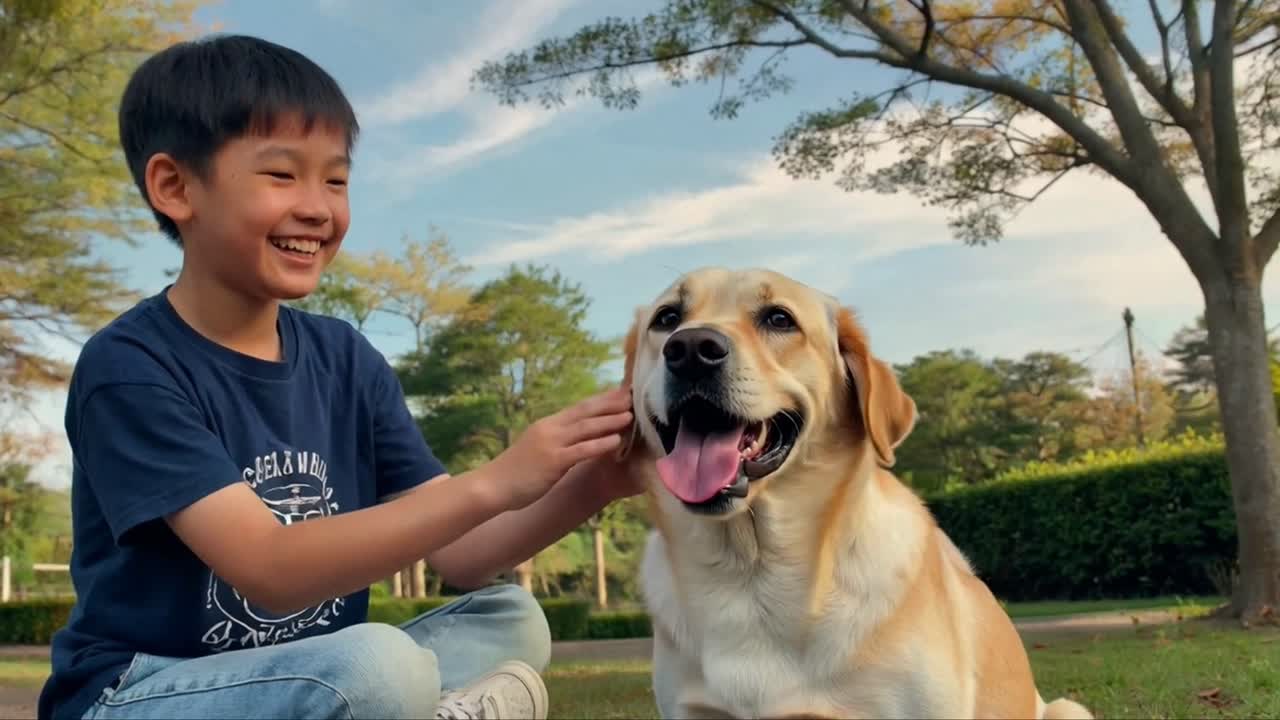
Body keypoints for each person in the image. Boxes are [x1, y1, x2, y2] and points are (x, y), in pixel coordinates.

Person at [36, 33, 639, 720]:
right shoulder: (132, 366)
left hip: (315, 677)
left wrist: (599, 478)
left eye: (337, 179)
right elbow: (267, 569)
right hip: (140, 693)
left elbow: (463, 557)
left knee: (510, 618)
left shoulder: (345, 359)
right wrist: (497, 479)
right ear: (175, 186)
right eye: (282, 174)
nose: (319, 208)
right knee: (374, 666)